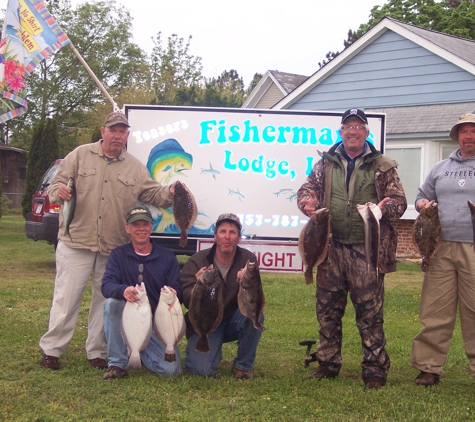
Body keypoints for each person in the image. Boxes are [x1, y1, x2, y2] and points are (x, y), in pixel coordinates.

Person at [39, 111, 178, 370]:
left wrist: (170, 192)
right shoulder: (79, 156)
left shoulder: (135, 167)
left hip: (112, 247)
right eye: (113, 130)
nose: (117, 136)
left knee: (104, 302)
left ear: (127, 136)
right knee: (66, 299)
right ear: (103, 131)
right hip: (75, 242)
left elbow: (153, 194)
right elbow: (54, 186)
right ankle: (52, 351)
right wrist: (58, 191)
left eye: (122, 132)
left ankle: (97, 352)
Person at [297, 108, 407, 389]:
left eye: (358, 126)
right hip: (329, 249)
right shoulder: (325, 163)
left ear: (367, 133)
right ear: (341, 132)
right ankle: (328, 363)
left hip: (366, 250)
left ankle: (374, 369)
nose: (352, 131)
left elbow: (400, 202)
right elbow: (305, 191)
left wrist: (385, 210)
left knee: (370, 312)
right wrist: (305, 205)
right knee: (327, 310)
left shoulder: (383, 165)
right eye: (348, 126)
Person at [411, 113, 475, 386]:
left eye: (473, 131)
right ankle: (429, 366)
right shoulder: (440, 168)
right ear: (456, 136)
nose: (469, 136)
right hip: (439, 248)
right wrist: (422, 205)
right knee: (436, 309)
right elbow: (420, 198)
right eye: (464, 131)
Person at [100, 206, 182, 379]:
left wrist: (174, 294)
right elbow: (106, 286)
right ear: (127, 228)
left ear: (151, 227)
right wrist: (123, 290)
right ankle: (117, 363)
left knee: (171, 371)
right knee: (111, 304)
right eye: (136, 224)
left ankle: (139, 352)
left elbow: (178, 291)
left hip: (156, 324)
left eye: (145, 224)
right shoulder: (118, 255)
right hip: (129, 318)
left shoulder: (167, 257)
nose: (141, 228)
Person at [180, 213, 263, 379]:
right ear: (215, 236)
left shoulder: (248, 260)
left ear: (239, 237)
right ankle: (212, 348)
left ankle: (243, 366)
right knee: (200, 371)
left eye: (232, 232)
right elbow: (186, 299)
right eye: (222, 231)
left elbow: (255, 298)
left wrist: (244, 284)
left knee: (255, 316)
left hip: (233, 319)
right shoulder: (197, 260)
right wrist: (198, 287)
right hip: (205, 322)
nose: (227, 237)